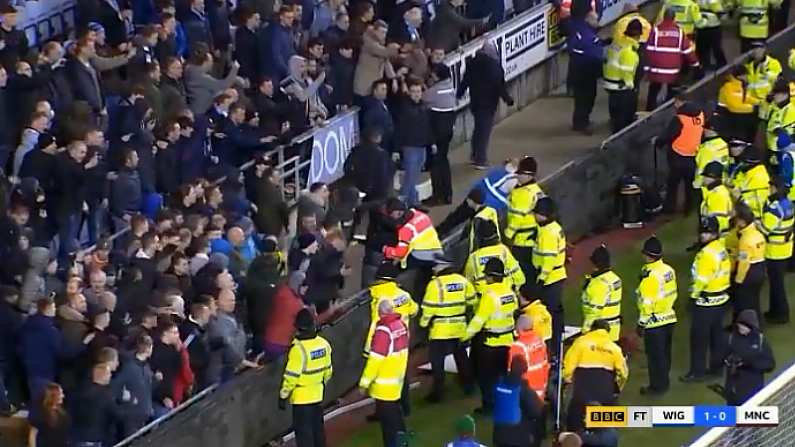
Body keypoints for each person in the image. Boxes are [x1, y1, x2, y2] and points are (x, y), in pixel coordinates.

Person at [462, 258, 518, 413]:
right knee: (504, 375)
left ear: (492, 277)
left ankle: (489, 406)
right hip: (508, 342)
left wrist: (464, 337)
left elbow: (479, 320)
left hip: (491, 344)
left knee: (487, 378)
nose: (485, 278)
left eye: (487, 275)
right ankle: (505, 402)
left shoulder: (490, 296)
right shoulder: (510, 292)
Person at [681, 216, 731, 382]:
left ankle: (697, 371)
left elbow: (701, 280)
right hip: (721, 299)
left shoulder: (706, 254)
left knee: (699, 338)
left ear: (715, 233)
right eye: (702, 232)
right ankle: (717, 368)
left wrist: (692, 297)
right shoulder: (719, 248)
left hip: (706, 302)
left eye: (707, 233)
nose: (704, 236)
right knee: (717, 335)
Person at [420, 260, 476, 402]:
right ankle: (468, 386)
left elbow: (428, 309)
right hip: (459, 327)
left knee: (437, 362)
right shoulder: (462, 281)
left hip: (440, 330)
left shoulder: (435, 285)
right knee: (462, 358)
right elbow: (472, 301)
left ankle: (438, 393)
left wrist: (423, 323)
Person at [359, 300, 409, 447]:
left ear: (380, 313)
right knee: (396, 416)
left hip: (384, 385)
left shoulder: (383, 331)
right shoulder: (402, 325)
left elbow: (375, 360)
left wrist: (364, 383)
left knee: (388, 425)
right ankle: (403, 442)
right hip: (397, 380)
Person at [279, 309, 332, 447]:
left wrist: (283, 395)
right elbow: (328, 371)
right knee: (318, 431)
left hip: (301, 399)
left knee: (304, 435)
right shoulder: (324, 344)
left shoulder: (298, 349)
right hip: (318, 395)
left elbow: (291, 377)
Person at [562, 319, 628, 432]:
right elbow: (623, 374)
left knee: (574, 422)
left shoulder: (580, 343)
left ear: (592, 329)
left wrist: (566, 380)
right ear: (608, 332)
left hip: (583, 392)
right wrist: (617, 388)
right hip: (605, 393)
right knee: (610, 424)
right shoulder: (614, 348)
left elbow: (568, 367)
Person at [457, 41, 514, 168]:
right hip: (488, 103)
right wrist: (508, 99)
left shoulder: (472, 63)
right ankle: (480, 159)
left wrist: (459, 94)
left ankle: (474, 155)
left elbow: (465, 80)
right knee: (484, 131)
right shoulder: (495, 66)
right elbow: (499, 86)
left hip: (476, 102)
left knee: (478, 129)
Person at [636, 236, 678, 395]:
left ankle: (657, 387)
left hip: (655, 323)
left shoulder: (650, 276)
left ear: (647, 255)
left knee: (654, 358)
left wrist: (641, 324)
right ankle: (664, 381)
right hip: (669, 317)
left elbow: (647, 304)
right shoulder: (668, 270)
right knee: (665, 354)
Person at [532, 197, 567, 362]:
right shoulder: (553, 227)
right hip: (556, 276)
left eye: (536, 213)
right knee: (557, 314)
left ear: (542, 215)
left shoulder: (547, 233)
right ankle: (558, 346)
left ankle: (553, 352)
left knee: (549, 315)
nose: (534, 216)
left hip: (550, 278)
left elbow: (548, 259)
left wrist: (541, 279)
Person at [656, 96, 704, 214]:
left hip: (678, 154)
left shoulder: (680, 119)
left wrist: (658, 143)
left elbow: (669, 135)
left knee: (673, 184)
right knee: (689, 185)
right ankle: (689, 209)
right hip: (694, 154)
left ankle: (669, 210)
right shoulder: (700, 114)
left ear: (678, 102)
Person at [643, 9, 699, 110]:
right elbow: (687, 51)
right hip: (673, 70)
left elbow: (648, 51)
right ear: (674, 18)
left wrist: (647, 70)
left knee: (654, 90)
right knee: (673, 90)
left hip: (657, 70)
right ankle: (667, 109)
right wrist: (696, 64)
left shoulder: (655, 31)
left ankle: (649, 112)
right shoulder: (680, 32)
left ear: (663, 17)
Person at [720, 309, 775, 405]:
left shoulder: (761, 341)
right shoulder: (730, 338)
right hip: (733, 390)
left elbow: (770, 365)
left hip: (754, 390)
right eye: (740, 325)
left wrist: (748, 363)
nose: (742, 328)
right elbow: (720, 358)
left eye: (745, 326)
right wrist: (727, 360)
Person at [759, 176, 794, 324]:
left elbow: (765, 229)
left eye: (771, 187)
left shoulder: (775, 209)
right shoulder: (788, 204)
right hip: (785, 249)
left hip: (774, 251)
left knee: (777, 286)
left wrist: (754, 223)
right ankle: (776, 311)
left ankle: (780, 314)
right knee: (777, 284)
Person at [505, 156, 545, 284]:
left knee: (522, 276)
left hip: (521, 241)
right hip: (533, 240)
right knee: (530, 274)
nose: (517, 177)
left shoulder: (523, 193)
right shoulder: (536, 190)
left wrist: (507, 236)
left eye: (520, 174)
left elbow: (517, 217)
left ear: (528, 175)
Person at [395, 78, 433, 207]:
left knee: (414, 176)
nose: (417, 94)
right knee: (410, 176)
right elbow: (399, 129)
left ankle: (413, 201)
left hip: (422, 146)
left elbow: (427, 126)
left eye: (418, 91)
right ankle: (401, 201)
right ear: (409, 93)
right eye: (414, 91)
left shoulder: (423, 105)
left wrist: (431, 142)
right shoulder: (404, 107)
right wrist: (396, 149)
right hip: (410, 146)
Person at [492, 356, 545, 447]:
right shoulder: (525, 391)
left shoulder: (499, 384)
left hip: (499, 436)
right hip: (519, 440)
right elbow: (536, 412)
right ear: (524, 372)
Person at [424, 63, 457, 206]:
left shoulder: (436, 91)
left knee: (436, 164)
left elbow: (423, 97)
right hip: (447, 130)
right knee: (444, 161)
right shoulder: (449, 87)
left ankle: (438, 196)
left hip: (437, 131)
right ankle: (448, 194)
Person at [602, 19, 642, 133]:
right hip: (622, 87)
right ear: (638, 35)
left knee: (614, 114)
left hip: (610, 84)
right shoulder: (629, 51)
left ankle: (614, 133)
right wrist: (631, 87)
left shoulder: (617, 43)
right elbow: (627, 71)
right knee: (623, 118)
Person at [567, 10, 604, 135]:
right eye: (596, 21)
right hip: (585, 71)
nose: (598, 23)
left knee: (584, 98)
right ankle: (581, 123)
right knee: (585, 98)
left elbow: (575, 49)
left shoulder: (584, 33)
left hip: (583, 71)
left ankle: (581, 121)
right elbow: (580, 50)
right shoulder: (585, 35)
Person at [382, 198, 444, 269]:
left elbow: (400, 253)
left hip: (420, 258)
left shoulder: (406, 229)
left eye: (390, 214)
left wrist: (386, 250)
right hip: (436, 252)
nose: (389, 217)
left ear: (398, 213)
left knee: (396, 272)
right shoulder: (420, 214)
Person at [71, 362, 123, 447]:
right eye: (109, 373)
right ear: (104, 376)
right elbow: (116, 414)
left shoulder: (79, 391)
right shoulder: (105, 396)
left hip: (78, 438)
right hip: (94, 440)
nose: (110, 376)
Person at [464, 221, 525, 292]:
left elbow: (468, 284)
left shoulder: (473, 257)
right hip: (505, 294)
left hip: (484, 298)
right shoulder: (503, 250)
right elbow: (519, 277)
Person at [581, 245, 622, 341]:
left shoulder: (599, 284)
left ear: (595, 264)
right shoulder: (614, 278)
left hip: (599, 331)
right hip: (613, 329)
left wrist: (586, 330)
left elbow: (595, 310)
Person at [732, 203, 766, 320]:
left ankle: (745, 326)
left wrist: (738, 280)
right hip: (761, 267)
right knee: (754, 301)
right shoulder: (758, 233)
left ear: (742, 221)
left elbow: (743, 263)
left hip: (750, 272)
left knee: (744, 302)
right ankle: (758, 324)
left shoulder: (745, 240)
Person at [508, 315, 549, 401]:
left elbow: (513, 372)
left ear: (518, 328)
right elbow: (545, 364)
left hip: (524, 391)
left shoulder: (518, 346)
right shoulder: (539, 341)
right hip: (540, 387)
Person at [717, 66, 759, 142]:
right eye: (746, 75)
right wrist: (753, 108)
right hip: (729, 117)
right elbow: (735, 107)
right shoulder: (729, 87)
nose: (747, 78)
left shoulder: (740, 85)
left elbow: (746, 98)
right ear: (740, 76)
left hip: (737, 116)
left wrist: (760, 103)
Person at [698, 161, 733, 239]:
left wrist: (710, 234)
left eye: (706, 176)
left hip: (717, 235)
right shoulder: (713, 190)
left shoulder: (718, 194)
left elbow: (718, 219)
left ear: (713, 178)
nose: (703, 179)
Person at [28, 382, 70, 447]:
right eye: (60, 393)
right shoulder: (40, 413)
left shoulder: (62, 413)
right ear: (52, 395)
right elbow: (33, 436)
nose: (63, 396)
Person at [692, 126, 729, 193]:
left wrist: (697, 185)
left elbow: (701, 168)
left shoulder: (706, 149)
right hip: (721, 184)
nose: (704, 130)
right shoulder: (725, 145)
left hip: (706, 186)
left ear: (710, 131)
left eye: (705, 128)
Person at [694, 0, 727, 70]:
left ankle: (704, 65)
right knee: (716, 48)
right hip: (713, 26)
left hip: (702, 26)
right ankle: (722, 66)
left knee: (703, 48)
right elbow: (720, 12)